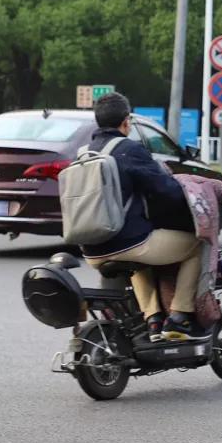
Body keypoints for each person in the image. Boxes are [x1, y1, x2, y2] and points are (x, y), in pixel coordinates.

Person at [79, 92, 210, 342]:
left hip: (91, 250)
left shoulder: (84, 153)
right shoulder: (128, 149)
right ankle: (180, 318)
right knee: (197, 244)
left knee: (138, 251)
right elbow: (167, 191)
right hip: (128, 245)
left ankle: (153, 320)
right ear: (126, 122)